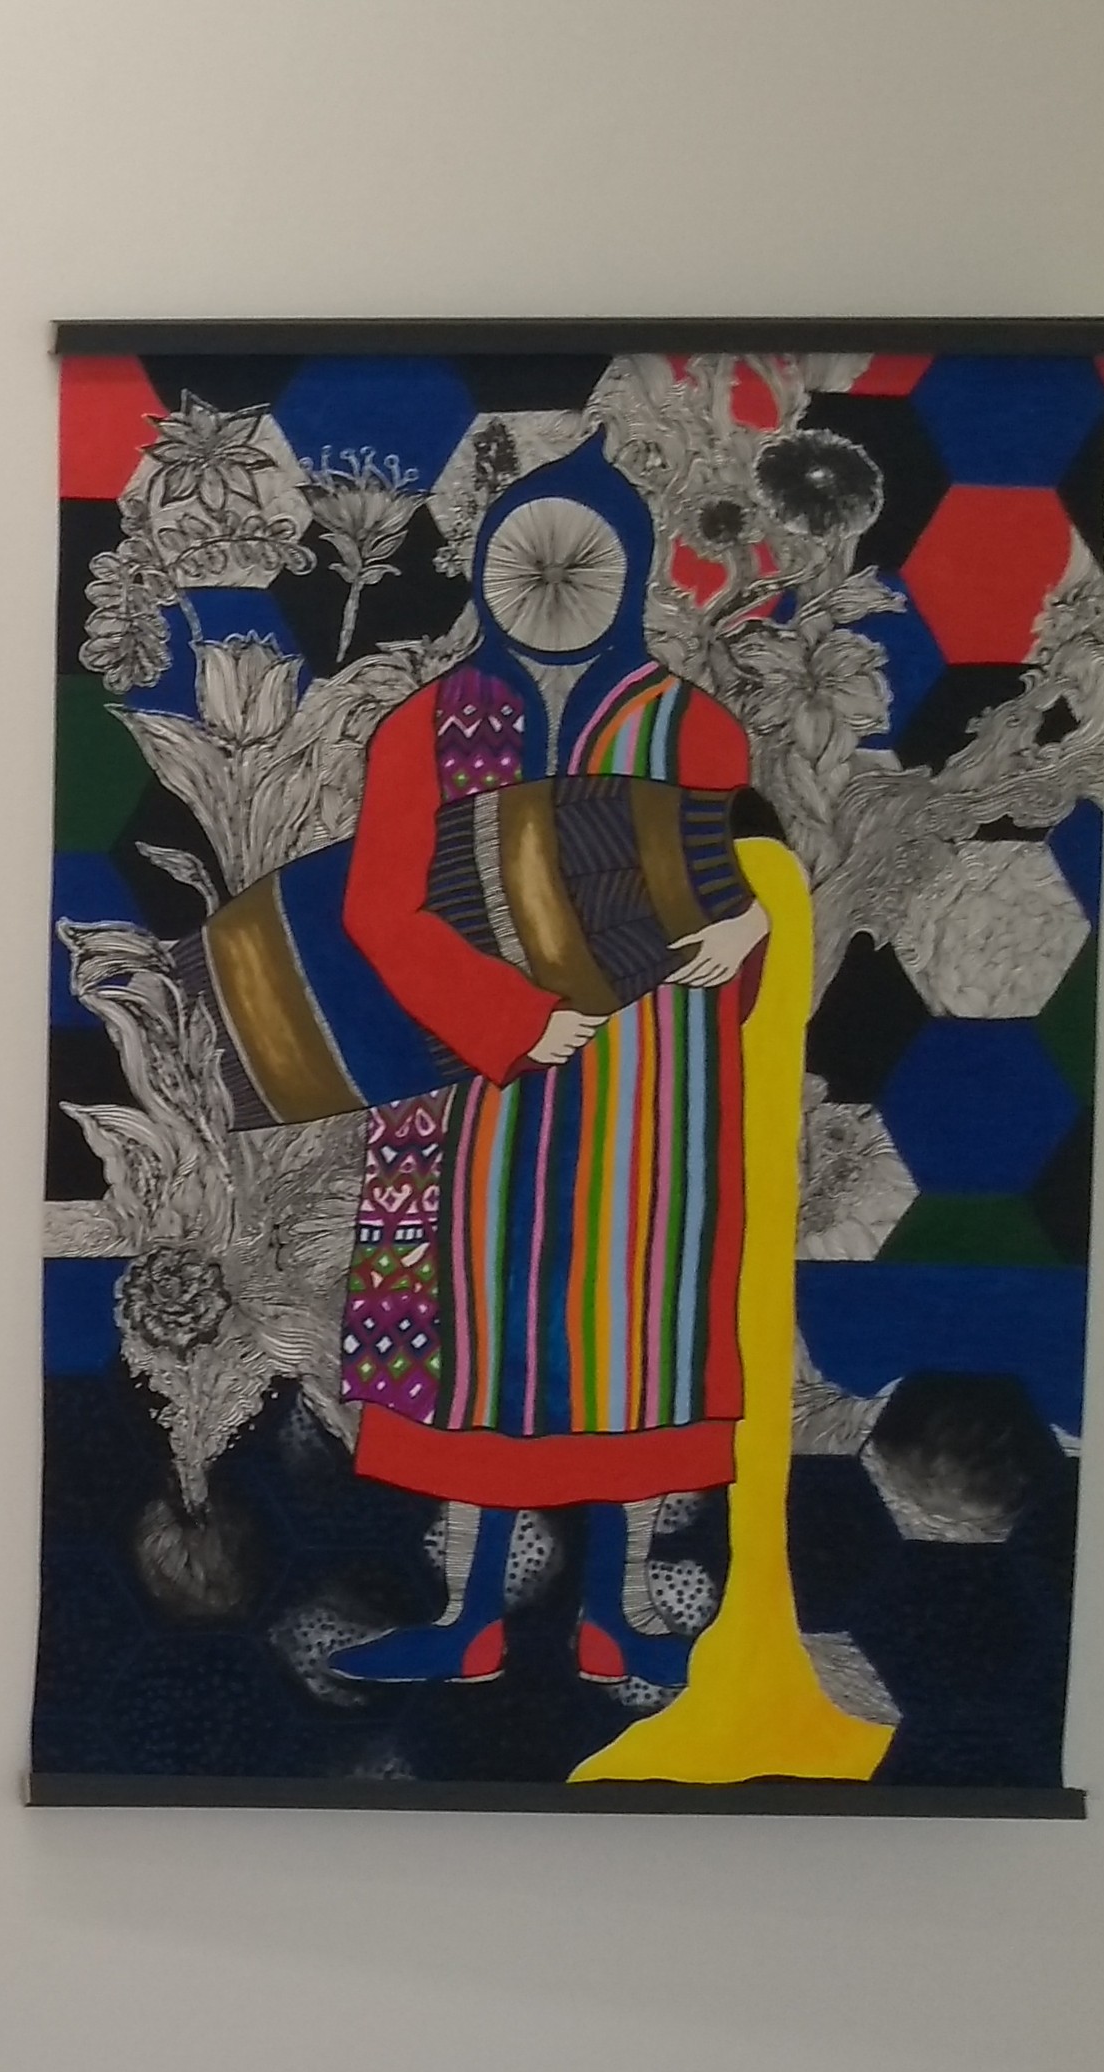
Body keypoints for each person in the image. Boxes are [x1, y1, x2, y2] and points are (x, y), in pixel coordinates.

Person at [327, 432, 772, 1692]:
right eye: (527, 560)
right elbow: (379, 909)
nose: (554, 589)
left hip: (653, 1097)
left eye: (586, 563)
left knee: (633, 1338)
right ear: (484, 569)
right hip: (478, 1096)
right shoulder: (427, 728)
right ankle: (467, 1617)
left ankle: (611, 1618)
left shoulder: (694, 729)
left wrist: (746, 932)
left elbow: (746, 884)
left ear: (630, 576)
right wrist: (507, 1018)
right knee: (480, 1339)